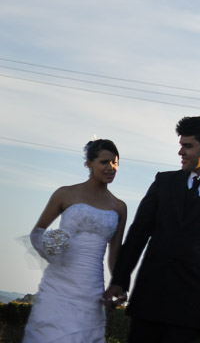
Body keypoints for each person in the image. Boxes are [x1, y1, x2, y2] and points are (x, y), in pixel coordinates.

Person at [105, 115, 200, 340]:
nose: (181, 152)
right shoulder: (163, 183)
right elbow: (138, 235)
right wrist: (120, 280)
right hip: (148, 302)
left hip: (191, 310)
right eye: (181, 145)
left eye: (187, 146)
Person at [23, 138, 127, 343]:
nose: (111, 168)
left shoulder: (119, 207)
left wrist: (118, 285)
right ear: (89, 163)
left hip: (92, 288)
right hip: (58, 285)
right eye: (104, 162)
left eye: (115, 162)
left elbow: (114, 255)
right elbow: (37, 233)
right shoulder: (65, 194)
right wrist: (51, 249)